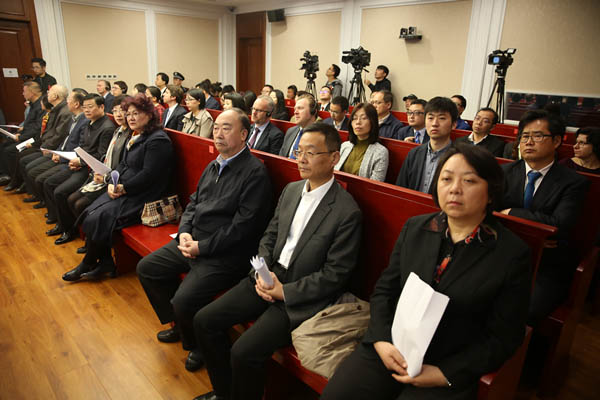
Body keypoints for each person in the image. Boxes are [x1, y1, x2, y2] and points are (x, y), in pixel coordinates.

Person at [322, 143, 531, 400]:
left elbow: (504, 337)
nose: (455, 188)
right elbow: (385, 291)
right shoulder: (416, 227)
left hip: (448, 360)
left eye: (469, 181)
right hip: (392, 345)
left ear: (491, 193)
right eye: (446, 179)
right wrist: (380, 339)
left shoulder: (510, 254)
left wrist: (445, 373)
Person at [192, 122, 362, 400]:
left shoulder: (346, 211)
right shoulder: (292, 190)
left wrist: (286, 291)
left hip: (299, 294)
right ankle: (224, 392)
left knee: (244, 351)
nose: (302, 158)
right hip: (268, 275)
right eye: (299, 151)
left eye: (311, 152)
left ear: (334, 157)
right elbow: (270, 234)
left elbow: (336, 274)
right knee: (204, 320)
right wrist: (263, 270)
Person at [137, 108, 273, 371]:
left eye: (226, 128)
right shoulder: (214, 164)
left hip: (224, 254)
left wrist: (202, 247)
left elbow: (243, 228)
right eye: (216, 127)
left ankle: (198, 345)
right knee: (148, 269)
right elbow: (194, 201)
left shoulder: (254, 172)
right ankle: (179, 325)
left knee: (184, 300)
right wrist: (185, 230)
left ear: (244, 134)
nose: (218, 134)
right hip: (194, 240)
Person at [62, 94, 174, 281]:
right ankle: (104, 261)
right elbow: (123, 165)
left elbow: (149, 176)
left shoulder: (158, 140)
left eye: (136, 113)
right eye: (128, 113)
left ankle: (88, 262)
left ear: (149, 115)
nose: (130, 117)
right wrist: (111, 181)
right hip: (126, 187)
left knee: (100, 216)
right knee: (90, 211)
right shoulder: (137, 135)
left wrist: (123, 188)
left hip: (145, 194)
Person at [499, 109, 589, 325]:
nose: (529, 142)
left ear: (557, 141)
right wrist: (535, 229)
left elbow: (559, 226)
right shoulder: (503, 172)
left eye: (537, 136)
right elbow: (488, 213)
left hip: (546, 264)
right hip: (503, 252)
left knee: (527, 310)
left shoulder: (573, 182)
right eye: (525, 136)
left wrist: (511, 213)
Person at [44, 93, 115, 245]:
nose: (87, 110)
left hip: (90, 169)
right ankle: (63, 224)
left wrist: (80, 162)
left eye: (91, 107)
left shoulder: (107, 127)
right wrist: (73, 159)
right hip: (79, 163)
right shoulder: (88, 123)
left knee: (61, 192)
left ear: (101, 107)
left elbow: (101, 155)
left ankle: (69, 230)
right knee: (49, 182)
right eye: (84, 107)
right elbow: (82, 145)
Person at [66, 95, 131, 246]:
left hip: (113, 181)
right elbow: (105, 156)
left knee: (80, 204)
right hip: (103, 174)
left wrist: (105, 177)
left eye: (123, 111)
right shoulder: (119, 130)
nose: (118, 115)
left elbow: (123, 165)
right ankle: (87, 238)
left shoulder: (128, 134)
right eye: (115, 111)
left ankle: (91, 242)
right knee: (71, 199)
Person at [23, 89, 88, 208]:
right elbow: (65, 139)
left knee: (43, 179)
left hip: (69, 159)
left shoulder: (83, 120)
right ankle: (44, 201)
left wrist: (60, 155)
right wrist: (56, 151)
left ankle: (50, 208)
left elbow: (79, 146)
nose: (66, 102)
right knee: (29, 166)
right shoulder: (73, 118)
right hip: (59, 152)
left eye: (68, 100)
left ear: (76, 104)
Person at [10, 85, 72, 192]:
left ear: (55, 96)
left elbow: (59, 135)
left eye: (49, 92)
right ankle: (28, 189)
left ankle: (33, 192)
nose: (47, 93)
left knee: (28, 164)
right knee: (23, 158)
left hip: (53, 148)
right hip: (46, 145)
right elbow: (48, 132)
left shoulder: (64, 112)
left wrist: (45, 146)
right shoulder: (56, 110)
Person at [396, 97, 456, 193]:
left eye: (441, 118)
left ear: (453, 124)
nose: (434, 124)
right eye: (430, 118)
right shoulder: (414, 153)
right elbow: (401, 188)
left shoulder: (459, 158)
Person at [0, 82, 44, 186]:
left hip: (33, 139)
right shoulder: (33, 105)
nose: (22, 94)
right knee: (4, 145)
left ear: (32, 92)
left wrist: (21, 137)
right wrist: (22, 129)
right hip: (27, 135)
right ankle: (6, 174)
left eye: (24, 91)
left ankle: (16, 179)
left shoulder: (41, 106)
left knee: (10, 150)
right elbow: (31, 123)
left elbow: (37, 129)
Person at [335, 103, 388, 181]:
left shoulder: (381, 152)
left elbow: (374, 186)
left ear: (372, 121)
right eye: (354, 118)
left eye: (364, 118)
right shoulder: (345, 146)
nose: (358, 122)